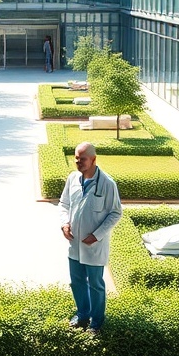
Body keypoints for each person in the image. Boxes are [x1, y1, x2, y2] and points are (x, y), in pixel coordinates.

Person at [58, 142, 122, 334]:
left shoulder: (107, 184)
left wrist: (97, 235)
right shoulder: (73, 178)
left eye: (82, 159)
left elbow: (115, 213)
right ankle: (82, 315)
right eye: (76, 158)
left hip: (94, 246)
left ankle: (97, 323)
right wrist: (64, 224)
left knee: (95, 284)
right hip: (75, 244)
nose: (78, 162)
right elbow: (63, 204)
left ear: (93, 159)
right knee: (76, 281)